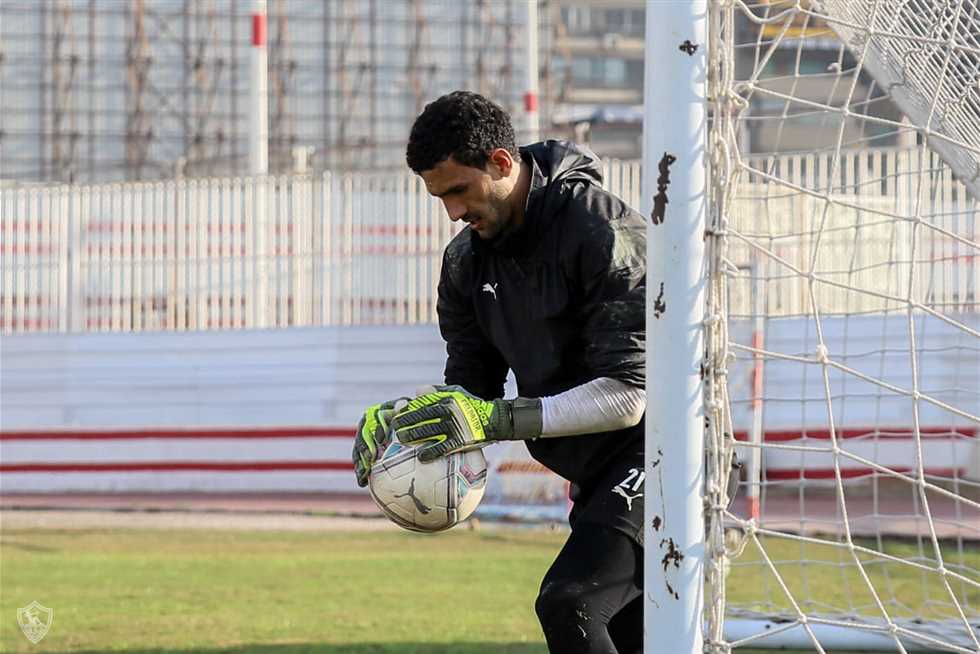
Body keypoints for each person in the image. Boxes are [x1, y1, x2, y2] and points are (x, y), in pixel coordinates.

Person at [352, 90, 647, 654]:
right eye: (440, 197)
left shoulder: (602, 230)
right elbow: (470, 393)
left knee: (570, 603)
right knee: (627, 635)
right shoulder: (464, 263)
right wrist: (404, 422)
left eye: (459, 190)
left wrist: (495, 420)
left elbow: (628, 395)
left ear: (502, 162)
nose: (453, 212)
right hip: (596, 476)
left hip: (666, 456)